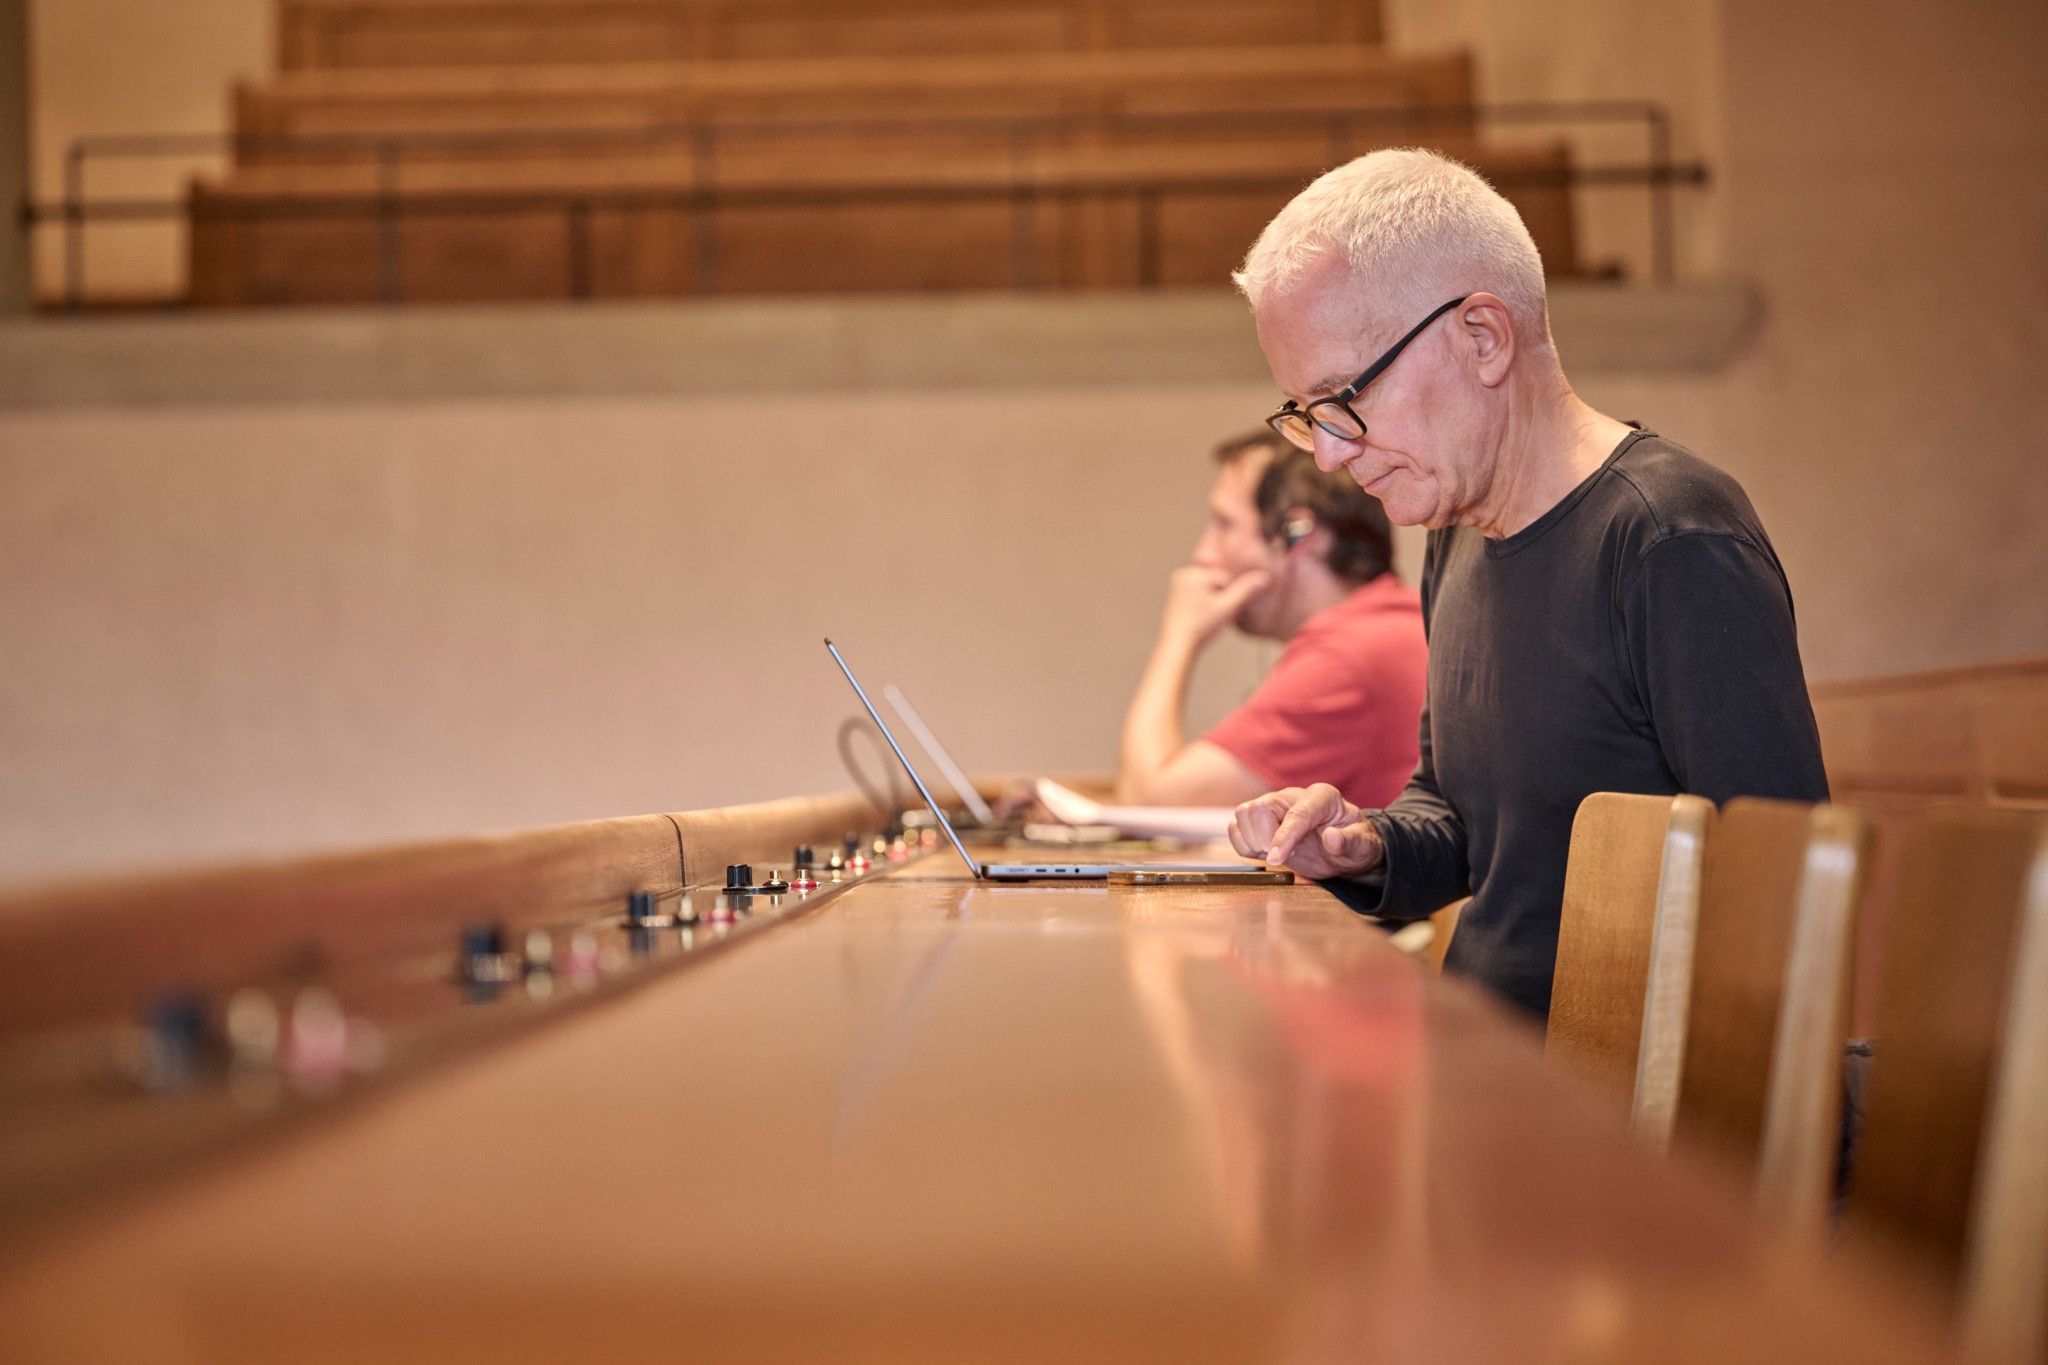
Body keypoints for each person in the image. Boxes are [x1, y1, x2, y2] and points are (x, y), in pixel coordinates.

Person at [1223, 148, 1829, 1020]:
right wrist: (1365, 842)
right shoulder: (1455, 534)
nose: (1325, 453)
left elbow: (1781, 890)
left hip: (1610, 1086)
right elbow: (1463, 822)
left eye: (1343, 397)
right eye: (1303, 414)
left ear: (1483, 337)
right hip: (1485, 1052)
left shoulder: (1668, 537)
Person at [1116, 429, 1427, 810]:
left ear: (1297, 534)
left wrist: (1178, 638)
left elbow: (1151, 799)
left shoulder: (1349, 656)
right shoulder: (1388, 627)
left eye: (1225, 524)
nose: (1204, 554)